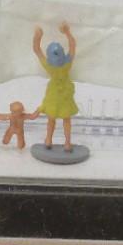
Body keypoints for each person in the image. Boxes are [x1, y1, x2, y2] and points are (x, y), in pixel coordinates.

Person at [32, 22, 78, 152]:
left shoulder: (49, 66)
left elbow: (37, 50)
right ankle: (67, 143)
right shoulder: (67, 64)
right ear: (63, 54)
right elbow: (73, 45)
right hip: (64, 95)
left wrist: (38, 36)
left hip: (54, 95)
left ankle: (49, 140)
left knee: (51, 119)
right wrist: (67, 32)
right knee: (66, 119)